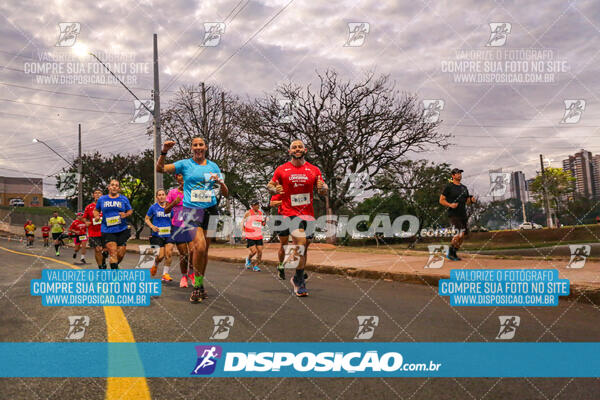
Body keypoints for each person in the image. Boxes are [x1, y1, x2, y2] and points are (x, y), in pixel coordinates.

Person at [157, 138, 229, 303]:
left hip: (211, 210)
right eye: (195, 145)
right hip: (191, 211)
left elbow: (225, 193)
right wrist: (164, 152)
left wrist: (221, 183)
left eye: (201, 145)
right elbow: (159, 169)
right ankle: (196, 287)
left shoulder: (213, 166)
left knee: (204, 252)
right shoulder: (184, 164)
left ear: (205, 147)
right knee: (200, 246)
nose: (198, 148)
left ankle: (199, 283)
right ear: (192, 148)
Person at [266, 140, 328, 297]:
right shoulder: (282, 169)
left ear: (305, 150)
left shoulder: (313, 169)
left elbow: (323, 189)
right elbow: (270, 186)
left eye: (300, 146)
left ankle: (296, 276)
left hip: (308, 214)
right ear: (289, 151)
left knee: (304, 248)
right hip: (288, 213)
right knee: (299, 242)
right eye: (294, 147)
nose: (297, 149)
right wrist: (274, 188)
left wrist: (323, 188)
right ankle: (299, 281)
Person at [164, 173, 195, 288]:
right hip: (178, 226)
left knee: (193, 251)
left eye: (185, 180)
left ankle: (191, 272)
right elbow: (166, 210)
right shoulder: (172, 193)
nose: (183, 182)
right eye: (180, 180)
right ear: (177, 180)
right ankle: (183, 276)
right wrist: (173, 203)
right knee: (184, 254)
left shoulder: (192, 192)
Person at [94, 179, 132, 269]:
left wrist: (126, 214)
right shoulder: (102, 199)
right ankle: (114, 276)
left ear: (118, 188)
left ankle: (114, 264)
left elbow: (130, 210)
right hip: (107, 230)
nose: (114, 186)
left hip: (122, 229)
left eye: (116, 185)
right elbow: (96, 210)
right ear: (109, 187)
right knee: (113, 252)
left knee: (121, 253)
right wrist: (96, 216)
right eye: (112, 185)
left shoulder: (123, 199)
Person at [439, 168, 476, 261]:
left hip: (463, 214)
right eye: (457, 173)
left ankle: (454, 252)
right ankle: (450, 252)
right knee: (460, 233)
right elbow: (441, 200)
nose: (459, 175)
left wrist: (471, 201)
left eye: (460, 173)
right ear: (453, 175)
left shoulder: (464, 188)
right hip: (453, 214)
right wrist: (450, 204)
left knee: (463, 236)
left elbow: (467, 201)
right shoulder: (449, 187)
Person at [145, 189, 174, 282]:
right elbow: (147, 219)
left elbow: (174, 219)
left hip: (168, 234)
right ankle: (155, 265)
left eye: (163, 194)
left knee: (169, 253)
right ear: (157, 197)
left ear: (166, 196)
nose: (161, 196)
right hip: (157, 235)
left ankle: (165, 274)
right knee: (160, 256)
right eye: (159, 195)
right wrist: (152, 226)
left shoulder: (170, 208)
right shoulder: (153, 207)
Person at [83, 189, 107, 269]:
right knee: (97, 249)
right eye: (95, 193)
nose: (97, 194)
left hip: (106, 231)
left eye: (99, 193)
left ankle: (103, 260)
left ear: (102, 195)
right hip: (93, 232)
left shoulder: (106, 206)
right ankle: (100, 267)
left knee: (106, 250)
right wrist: (86, 222)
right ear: (93, 195)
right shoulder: (89, 207)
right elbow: (84, 218)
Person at [241, 200, 265, 272]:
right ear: (252, 206)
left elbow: (262, 224)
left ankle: (255, 265)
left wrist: (265, 221)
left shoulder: (261, 213)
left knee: (260, 252)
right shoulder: (248, 213)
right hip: (250, 235)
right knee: (254, 251)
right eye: (255, 205)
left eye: (258, 204)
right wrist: (243, 232)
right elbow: (243, 222)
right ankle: (248, 259)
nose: (257, 206)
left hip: (258, 235)